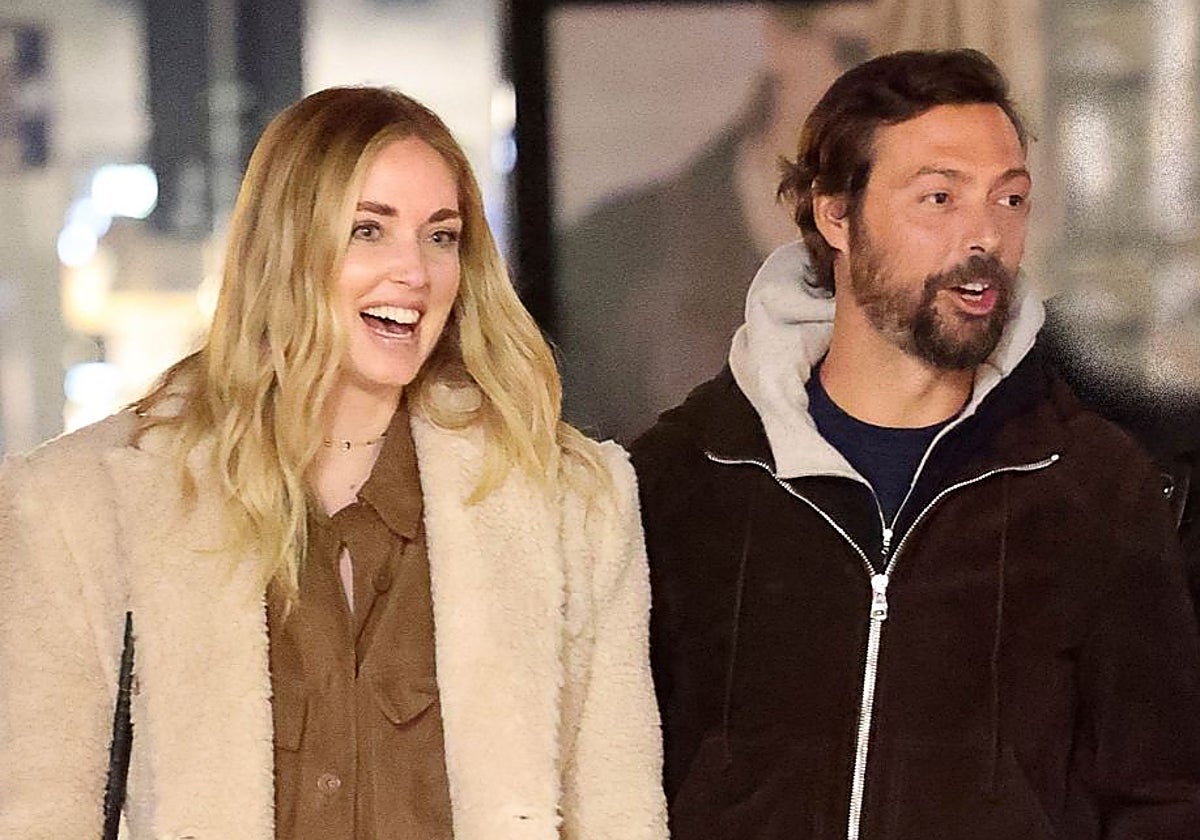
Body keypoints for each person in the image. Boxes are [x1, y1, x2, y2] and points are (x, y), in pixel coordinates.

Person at [0, 87, 667, 840]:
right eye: (368, 230)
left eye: (441, 236)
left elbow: (619, 818)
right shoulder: (77, 506)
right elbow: (38, 815)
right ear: (286, 247)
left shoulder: (572, 503)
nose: (415, 272)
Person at [632, 49, 1200, 839]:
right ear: (836, 215)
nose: (985, 237)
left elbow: (1162, 794)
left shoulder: (1097, 488)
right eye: (940, 197)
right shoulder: (683, 476)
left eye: (1010, 199)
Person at [555, 0, 873, 444]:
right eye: (855, 53)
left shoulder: (941, 252)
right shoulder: (613, 248)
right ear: (780, 37)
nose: (884, 98)